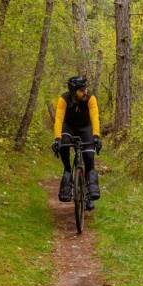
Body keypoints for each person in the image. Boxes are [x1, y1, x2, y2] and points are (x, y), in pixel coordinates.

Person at [51, 75, 102, 210]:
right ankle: (67, 171)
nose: (85, 91)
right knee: (63, 145)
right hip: (69, 127)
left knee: (89, 158)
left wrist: (96, 136)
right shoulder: (64, 99)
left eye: (85, 88)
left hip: (86, 128)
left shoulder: (90, 98)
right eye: (81, 90)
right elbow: (59, 119)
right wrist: (57, 139)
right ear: (74, 91)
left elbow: (95, 117)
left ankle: (89, 195)